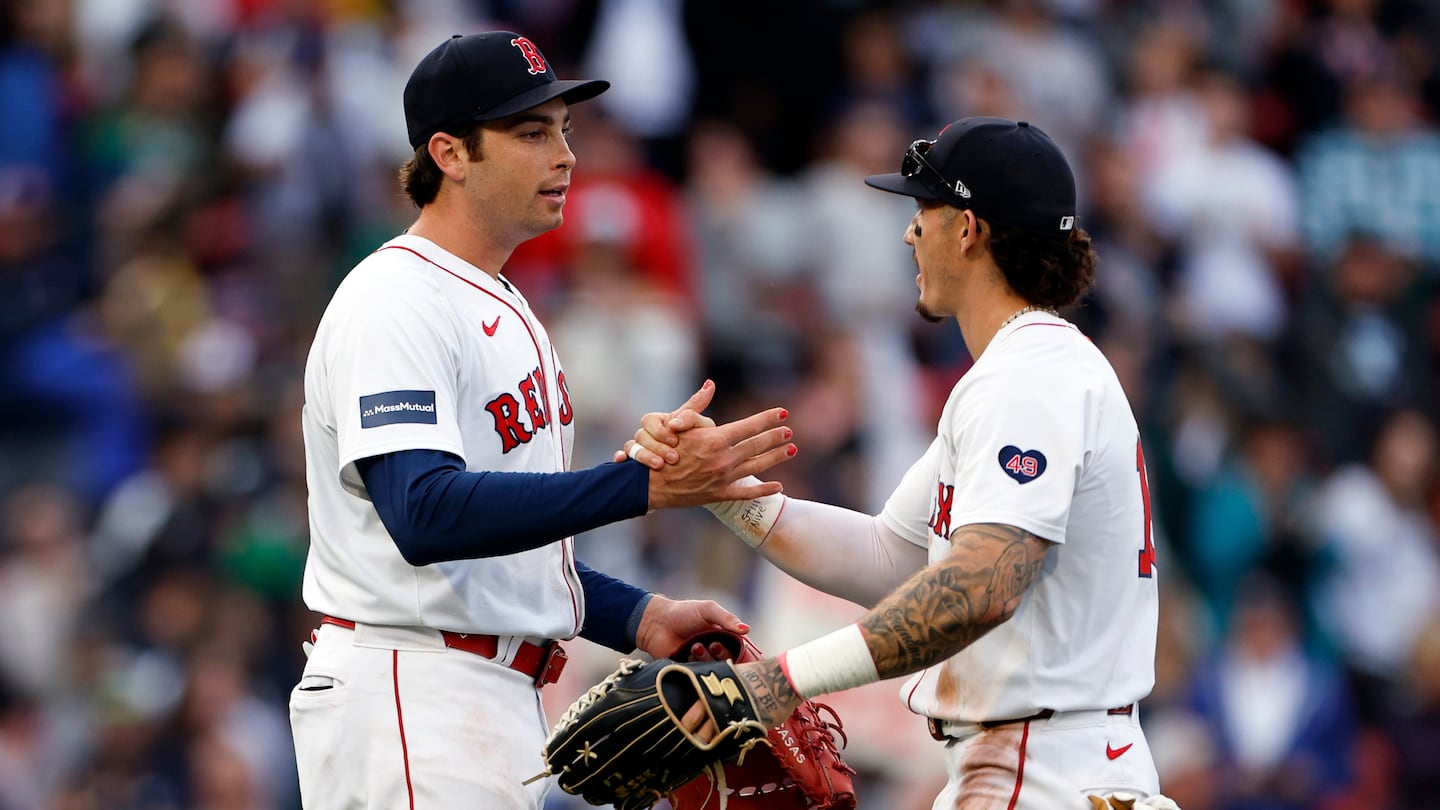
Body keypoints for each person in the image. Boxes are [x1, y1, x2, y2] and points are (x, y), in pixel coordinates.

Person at [289, 31, 795, 810]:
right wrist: (642, 487)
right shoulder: (395, 297)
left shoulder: (503, 302)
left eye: (564, 129)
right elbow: (423, 514)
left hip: (478, 693)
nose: (564, 155)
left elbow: (498, 547)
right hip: (411, 686)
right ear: (450, 153)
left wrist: (637, 615)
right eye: (531, 133)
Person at [625, 118, 1174, 808]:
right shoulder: (1022, 370)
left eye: (923, 211)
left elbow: (980, 588)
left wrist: (783, 679)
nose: (910, 233)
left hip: (1044, 769)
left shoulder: (1027, 377)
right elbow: (893, 557)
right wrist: (723, 491)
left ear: (968, 229)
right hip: (1039, 760)